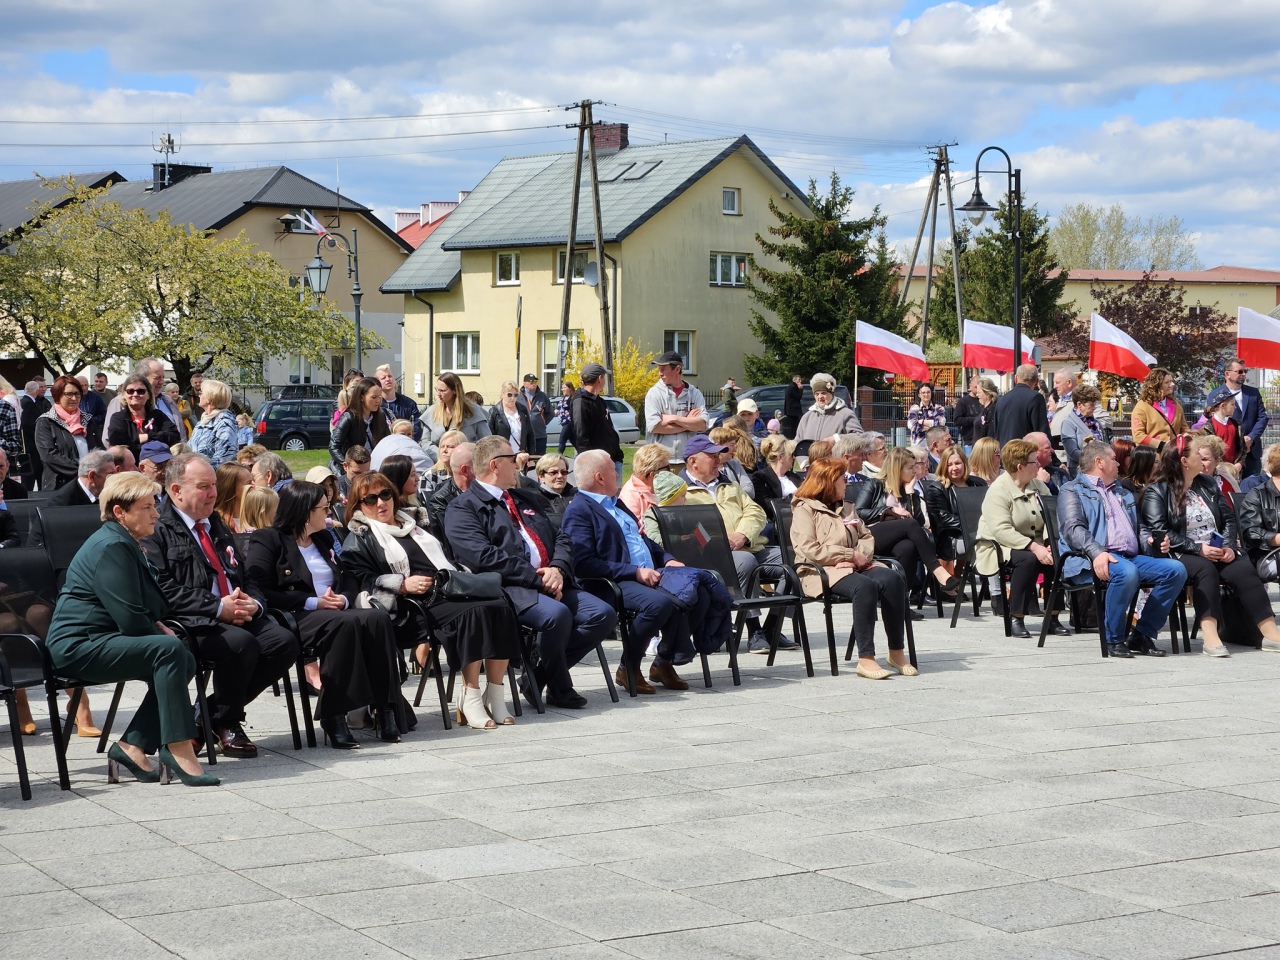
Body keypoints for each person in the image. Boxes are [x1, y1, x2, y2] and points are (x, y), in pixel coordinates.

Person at [44, 472, 218, 787]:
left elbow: (139, 607)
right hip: (78, 646)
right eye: (147, 507)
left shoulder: (125, 541)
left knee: (184, 659)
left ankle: (132, 746)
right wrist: (158, 630)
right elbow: (129, 617)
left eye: (155, 505)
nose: (156, 514)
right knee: (170, 650)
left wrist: (156, 624)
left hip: (102, 638)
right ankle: (178, 746)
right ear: (120, 512)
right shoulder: (112, 545)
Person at [143, 453, 298, 758]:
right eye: (204, 487)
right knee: (240, 644)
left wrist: (255, 603)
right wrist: (217, 607)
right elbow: (162, 588)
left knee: (284, 642)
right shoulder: (157, 527)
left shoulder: (213, 522)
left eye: (214, 485)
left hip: (234, 611)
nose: (214, 493)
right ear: (176, 490)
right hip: (192, 620)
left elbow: (242, 573)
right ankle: (228, 722)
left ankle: (206, 716)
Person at [445, 435, 617, 709]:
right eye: (513, 460)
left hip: (552, 581)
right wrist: (536, 578)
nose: (518, 465)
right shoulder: (463, 508)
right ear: (495, 465)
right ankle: (560, 687)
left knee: (603, 615)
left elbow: (561, 537)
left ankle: (537, 677)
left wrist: (557, 569)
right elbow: (482, 557)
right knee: (557, 616)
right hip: (509, 588)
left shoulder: (524, 497)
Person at [341, 471, 521, 728]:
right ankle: (470, 696)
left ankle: (495, 694)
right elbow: (361, 581)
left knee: (500, 605)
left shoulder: (415, 523)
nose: (381, 503)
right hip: (410, 609)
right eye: (370, 499)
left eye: (385, 494)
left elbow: (448, 558)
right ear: (358, 506)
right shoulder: (360, 537)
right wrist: (401, 585)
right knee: (475, 612)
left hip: (447, 590)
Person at [247, 481, 406, 747]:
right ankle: (334, 714)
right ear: (305, 511)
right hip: (296, 614)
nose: (329, 513)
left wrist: (343, 598)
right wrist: (313, 602)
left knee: (377, 618)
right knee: (344, 624)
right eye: (323, 508)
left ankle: (385, 708)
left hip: (334, 611)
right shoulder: (268, 539)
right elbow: (260, 589)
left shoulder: (322, 539)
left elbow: (348, 576)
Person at [563, 449, 693, 693]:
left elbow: (643, 539)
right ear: (600, 477)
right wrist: (634, 572)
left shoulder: (616, 503)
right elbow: (582, 563)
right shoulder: (580, 510)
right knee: (659, 604)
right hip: (610, 581)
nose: (618, 474)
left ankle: (663, 663)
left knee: (689, 591)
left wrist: (668, 560)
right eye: (614, 470)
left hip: (644, 574)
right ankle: (628, 667)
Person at [1142, 435, 1280, 657]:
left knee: (1243, 568)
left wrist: (1228, 546)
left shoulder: (1207, 484)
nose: (1202, 459)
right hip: (1180, 553)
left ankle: (1270, 633)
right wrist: (1198, 549)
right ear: (1184, 461)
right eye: (1198, 454)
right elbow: (1161, 531)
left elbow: (1229, 519)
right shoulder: (1157, 491)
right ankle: (1210, 636)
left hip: (1216, 548)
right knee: (1205, 569)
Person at [1058, 440, 1188, 658]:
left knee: (1175, 570)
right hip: (1089, 558)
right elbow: (1073, 529)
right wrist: (1097, 552)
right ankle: (1114, 638)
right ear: (1099, 462)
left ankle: (1142, 634)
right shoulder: (1072, 490)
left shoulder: (1123, 492)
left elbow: (1139, 528)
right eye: (1113, 459)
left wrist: (1150, 541)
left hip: (1128, 557)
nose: (1119, 463)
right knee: (1127, 573)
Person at [790, 458, 913, 680]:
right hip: (819, 571)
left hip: (855, 565)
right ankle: (866, 658)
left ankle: (896, 652)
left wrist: (857, 558)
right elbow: (809, 549)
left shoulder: (847, 507)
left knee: (892, 579)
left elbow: (866, 536)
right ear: (828, 482)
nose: (847, 483)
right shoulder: (804, 509)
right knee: (864, 587)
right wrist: (847, 555)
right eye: (842, 479)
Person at [678, 434, 789, 653]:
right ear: (693, 461)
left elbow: (755, 511)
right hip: (711, 556)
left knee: (794, 559)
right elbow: (688, 526)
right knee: (745, 561)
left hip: (749, 545)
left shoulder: (728, 484)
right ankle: (754, 629)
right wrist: (723, 542)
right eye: (712, 456)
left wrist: (743, 535)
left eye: (718, 455)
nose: (718, 460)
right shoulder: (682, 490)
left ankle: (772, 627)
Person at [977, 439, 1067, 639]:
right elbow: (1001, 530)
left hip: (1035, 543)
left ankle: (1052, 617)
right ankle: (1016, 617)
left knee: (1056, 556)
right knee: (1028, 560)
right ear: (1020, 467)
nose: (1039, 465)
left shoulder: (1038, 486)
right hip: (999, 545)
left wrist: (1048, 544)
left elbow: (1051, 518)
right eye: (1034, 462)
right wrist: (1034, 547)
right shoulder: (998, 490)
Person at [876, 446, 959, 605]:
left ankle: (900, 603)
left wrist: (910, 494)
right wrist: (889, 510)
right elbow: (860, 511)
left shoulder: (906, 489)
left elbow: (918, 522)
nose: (915, 471)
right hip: (875, 535)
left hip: (900, 538)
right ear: (898, 468)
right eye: (910, 467)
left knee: (908, 548)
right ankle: (938, 571)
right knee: (909, 524)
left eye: (915, 466)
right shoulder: (875, 484)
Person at [33, 375, 104, 490]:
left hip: (91, 484)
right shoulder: (46, 422)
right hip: (60, 485)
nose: (74, 398)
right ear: (58, 395)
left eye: (77, 394)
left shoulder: (87, 420)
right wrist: (81, 472)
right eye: (69, 394)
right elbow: (49, 455)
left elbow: (99, 449)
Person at [923, 445, 987, 573]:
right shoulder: (937, 489)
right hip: (952, 539)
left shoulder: (978, 483)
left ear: (964, 463)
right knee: (988, 546)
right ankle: (992, 586)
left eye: (958, 463)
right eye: (949, 464)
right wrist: (973, 525)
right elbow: (944, 519)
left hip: (981, 532)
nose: (954, 468)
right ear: (943, 466)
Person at [644, 351, 708, 460]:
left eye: (663, 369)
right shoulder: (654, 393)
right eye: (659, 369)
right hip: (661, 461)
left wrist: (674, 419)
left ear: (677, 369)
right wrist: (688, 423)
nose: (660, 373)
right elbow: (654, 427)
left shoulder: (694, 393)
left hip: (688, 459)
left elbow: (703, 425)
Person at [106, 358, 187, 442]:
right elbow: (111, 439)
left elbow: (176, 435)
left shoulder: (167, 401)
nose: (162, 382)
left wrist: (148, 437)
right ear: (142, 378)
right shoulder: (118, 403)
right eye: (157, 377)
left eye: (163, 377)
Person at [106, 375, 180, 463]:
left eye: (140, 391)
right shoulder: (118, 418)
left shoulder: (158, 415)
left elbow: (174, 436)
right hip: (130, 467)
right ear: (124, 395)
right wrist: (154, 443)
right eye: (130, 391)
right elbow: (118, 443)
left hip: (158, 465)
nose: (135, 394)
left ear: (148, 395)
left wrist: (148, 436)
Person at [571, 363, 624, 476]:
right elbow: (581, 438)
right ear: (600, 378)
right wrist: (590, 465)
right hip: (597, 466)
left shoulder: (599, 401)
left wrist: (617, 454)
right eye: (604, 377)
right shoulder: (581, 402)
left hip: (611, 459)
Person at [329, 377, 390, 474]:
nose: (378, 401)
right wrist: (348, 466)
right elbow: (334, 446)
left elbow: (388, 442)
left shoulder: (380, 416)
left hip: (374, 469)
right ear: (362, 397)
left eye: (379, 397)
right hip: (354, 471)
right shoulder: (348, 417)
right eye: (374, 397)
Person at [1222, 358, 1269, 478]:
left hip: (1251, 452)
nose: (1243, 374)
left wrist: (1251, 438)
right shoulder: (1217, 395)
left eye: (1245, 371)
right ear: (1227, 374)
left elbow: (1262, 417)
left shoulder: (1253, 393)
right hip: (1229, 454)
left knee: (1253, 487)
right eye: (1239, 371)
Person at [422, 372, 490, 454]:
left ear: (455, 390)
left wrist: (464, 454)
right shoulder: (432, 412)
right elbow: (425, 442)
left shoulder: (474, 411)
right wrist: (441, 454)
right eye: (437, 389)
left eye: (443, 391)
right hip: (437, 459)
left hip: (466, 459)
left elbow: (487, 442)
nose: (438, 394)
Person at [427, 441, 475, 545]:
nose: (485, 470)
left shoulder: (486, 490)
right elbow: (451, 542)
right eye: (479, 466)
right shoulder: (441, 500)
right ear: (465, 470)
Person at [992, 365, 1049, 446]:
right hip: (1025, 450)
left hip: (1004, 449)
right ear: (1036, 381)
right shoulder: (1036, 398)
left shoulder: (1001, 400)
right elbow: (1041, 430)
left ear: (1016, 378)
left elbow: (996, 431)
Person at [795, 373, 862, 442]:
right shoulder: (807, 417)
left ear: (831, 393)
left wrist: (836, 438)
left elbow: (860, 436)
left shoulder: (845, 414)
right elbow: (797, 442)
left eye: (823, 393)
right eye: (817, 394)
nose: (820, 397)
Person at [1131, 367, 1186, 450]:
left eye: (1171, 381)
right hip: (1153, 455)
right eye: (1167, 382)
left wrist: (1187, 438)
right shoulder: (1142, 407)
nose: (1172, 384)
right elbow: (1138, 436)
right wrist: (1161, 445)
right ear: (1156, 386)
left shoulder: (1176, 405)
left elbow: (1184, 429)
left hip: (1174, 455)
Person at [187, 378, 238, 468]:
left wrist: (198, 470)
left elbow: (223, 460)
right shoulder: (202, 423)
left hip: (211, 475)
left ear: (210, 398)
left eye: (202, 392)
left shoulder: (225, 424)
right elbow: (189, 450)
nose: (199, 395)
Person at [1059, 384, 1105, 476]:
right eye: (1091, 404)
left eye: (1094, 404)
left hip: (1100, 471)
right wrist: (1094, 460)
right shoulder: (1068, 423)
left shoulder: (1097, 423)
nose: (1094, 407)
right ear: (1079, 404)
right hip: (1080, 473)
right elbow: (1072, 452)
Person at [487, 379, 535, 466]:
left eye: (515, 395)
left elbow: (530, 434)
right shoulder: (494, 411)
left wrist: (531, 457)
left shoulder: (522, 410)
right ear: (502, 394)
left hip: (521, 456)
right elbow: (490, 438)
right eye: (509, 395)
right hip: (502, 457)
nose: (512, 398)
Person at [619, 443, 672, 519]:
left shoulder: (665, 488)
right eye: (667, 468)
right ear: (652, 475)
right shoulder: (630, 498)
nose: (671, 472)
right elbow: (634, 526)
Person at [374, 364, 422, 441]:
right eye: (383, 378)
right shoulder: (375, 405)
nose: (388, 379)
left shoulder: (409, 404)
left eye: (390, 376)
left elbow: (416, 429)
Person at [1197, 386, 1243, 467]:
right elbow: (1207, 451)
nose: (1235, 407)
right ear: (1223, 406)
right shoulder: (1208, 427)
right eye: (1232, 404)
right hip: (1217, 469)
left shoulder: (1236, 425)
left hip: (1234, 469)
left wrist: (1240, 463)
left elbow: (1242, 448)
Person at [708, 425, 757, 500]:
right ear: (718, 446)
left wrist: (730, 497)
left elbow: (750, 491)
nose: (735, 450)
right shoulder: (706, 466)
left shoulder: (734, 464)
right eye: (732, 445)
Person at [19, 378, 50, 490]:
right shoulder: (28, 403)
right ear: (36, 391)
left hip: (29, 447)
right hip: (31, 448)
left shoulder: (23, 401)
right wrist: (39, 438)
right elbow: (27, 425)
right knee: (29, 479)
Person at [753, 435, 801, 506]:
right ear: (780, 458)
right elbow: (764, 503)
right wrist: (791, 497)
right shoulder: (761, 477)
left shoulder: (794, 477)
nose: (793, 458)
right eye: (791, 455)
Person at [1196, 435, 1241, 509]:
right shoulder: (1187, 482)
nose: (1200, 463)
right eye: (1197, 459)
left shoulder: (1225, 483)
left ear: (1217, 461)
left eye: (1205, 459)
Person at [214, 461, 253, 534]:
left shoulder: (256, 515)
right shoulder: (215, 521)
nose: (254, 486)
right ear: (231, 487)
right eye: (249, 483)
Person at [534, 452, 577, 518]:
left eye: (563, 472)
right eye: (554, 472)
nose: (560, 476)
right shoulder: (534, 499)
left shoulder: (577, 495)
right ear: (541, 476)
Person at [520, 374, 552, 457]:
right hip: (524, 435)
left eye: (535, 381)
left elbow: (550, 413)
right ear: (525, 383)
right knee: (526, 458)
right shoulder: (518, 397)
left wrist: (542, 422)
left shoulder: (542, 396)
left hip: (539, 434)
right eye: (531, 381)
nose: (533, 383)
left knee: (540, 458)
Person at [954, 377, 986, 450]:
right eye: (975, 387)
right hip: (969, 440)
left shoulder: (984, 400)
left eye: (980, 387)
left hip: (984, 440)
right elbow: (957, 420)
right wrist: (975, 420)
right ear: (970, 386)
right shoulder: (963, 402)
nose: (978, 389)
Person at [1049, 368, 1078, 441]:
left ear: (1069, 382)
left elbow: (1102, 420)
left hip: (1071, 447)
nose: (1054, 386)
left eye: (1057, 382)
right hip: (1058, 446)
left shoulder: (1083, 398)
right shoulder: (1061, 399)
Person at [555, 380, 576, 454]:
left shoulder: (573, 399)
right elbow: (556, 411)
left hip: (569, 423)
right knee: (575, 442)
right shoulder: (562, 399)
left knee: (562, 440)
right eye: (562, 388)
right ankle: (584, 453)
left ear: (570, 388)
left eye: (564, 387)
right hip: (564, 423)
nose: (562, 389)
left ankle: (558, 456)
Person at [781, 374, 804, 440]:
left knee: (793, 427)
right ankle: (793, 439)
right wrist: (801, 389)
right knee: (794, 427)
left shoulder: (791, 386)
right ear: (795, 380)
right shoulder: (793, 387)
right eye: (799, 379)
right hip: (793, 412)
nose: (800, 381)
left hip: (791, 411)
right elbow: (798, 396)